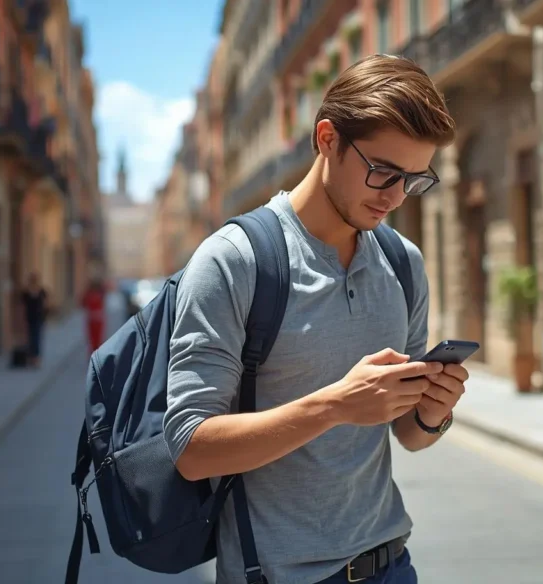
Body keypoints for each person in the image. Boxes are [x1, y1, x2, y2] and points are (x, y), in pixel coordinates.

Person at [164, 55, 465, 584]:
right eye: (383, 172)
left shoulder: (403, 263)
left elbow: (408, 436)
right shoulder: (233, 261)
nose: (394, 196)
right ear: (327, 139)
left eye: (414, 180)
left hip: (391, 564)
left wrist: (433, 412)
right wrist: (334, 405)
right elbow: (190, 448)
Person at [21, 273, 48, 368]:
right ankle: (31, 357)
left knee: (37, 338)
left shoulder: (41, 291)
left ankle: (36, 358)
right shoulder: (26, 292)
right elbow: (22, 304)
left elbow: (46, 302)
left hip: (39, 318)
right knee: (30, 338)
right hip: (30, 318)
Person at [81, 278, 107, 355]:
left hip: (95, 320)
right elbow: (82, 303)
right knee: (94, 339)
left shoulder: (98, 294)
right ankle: (95, 354)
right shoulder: (92, 294)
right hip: (94, 320)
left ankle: (95, 354)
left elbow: (82, 303)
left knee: (95, 339)